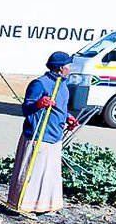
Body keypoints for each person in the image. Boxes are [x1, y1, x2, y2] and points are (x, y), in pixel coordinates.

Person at [7, 50, 78, 213]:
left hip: (55, 135)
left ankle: (44, 206)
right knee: (33, 173)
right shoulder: (40, 84)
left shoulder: (63, 86)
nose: (70, 69)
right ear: (60, 68)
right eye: (68, 66)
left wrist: (68, 117)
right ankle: (24, 206)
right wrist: (39, 103)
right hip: (39, 135)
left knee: (48, 175)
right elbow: (26, 108)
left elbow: (60, 108)